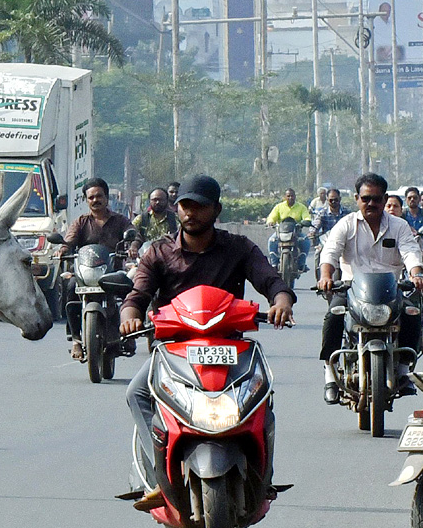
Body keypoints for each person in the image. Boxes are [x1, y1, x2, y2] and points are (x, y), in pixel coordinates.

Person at [119, 174, 295, 507]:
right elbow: (138, 293)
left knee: (262, 397)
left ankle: (263, 475)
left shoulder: (238, 248)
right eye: (185, 205)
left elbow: (269, 279)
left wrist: (281, 300)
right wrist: (130, 314)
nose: (191, 213)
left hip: (230, 348)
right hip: (174, 350)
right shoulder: (158, 252)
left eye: (200, 207)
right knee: (137, 393)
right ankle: (157, 477)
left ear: (216, 210)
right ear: (177, 209)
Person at [317, 173, 423, 404]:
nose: (371, 204)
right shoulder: (346, 225)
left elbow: (410, 252)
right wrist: (326, 276)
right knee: (333, 316)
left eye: (376, 199)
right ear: (357, 199)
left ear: (384, 199)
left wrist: (416, 274)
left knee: (413, 314)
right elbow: (330, 252)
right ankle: (330, 372)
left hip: (391, 290)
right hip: (351, 290)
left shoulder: (399, 226)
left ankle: (403, 369)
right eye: (366, 199)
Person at [60, 177, 140, 360]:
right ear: (86, 201)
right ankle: (76, 340)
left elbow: (135, 234)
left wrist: (133, 246)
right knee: (70, 287)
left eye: (99, 196)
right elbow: (69, 240)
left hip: (112, 272)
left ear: (106, 197)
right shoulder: (81, 222)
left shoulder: (120, 221)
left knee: (130, 290)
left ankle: (129, 334)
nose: (95, 200)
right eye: (91, 198)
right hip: (84, 273)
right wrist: (62, 249)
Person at [265, 188, 312, 273]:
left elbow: (307, 218)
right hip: (281, 232)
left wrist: (304, 222)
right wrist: (270, 222)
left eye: (292, 196)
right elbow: (271, 217)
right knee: (271, 241)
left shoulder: (301, 207)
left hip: (296, 233)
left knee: (306, 241)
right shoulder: (279, 207)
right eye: (288, 196)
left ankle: (301, 264)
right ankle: (274, 264)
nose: (290, 198)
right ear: (285, 197)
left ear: (295, 196)